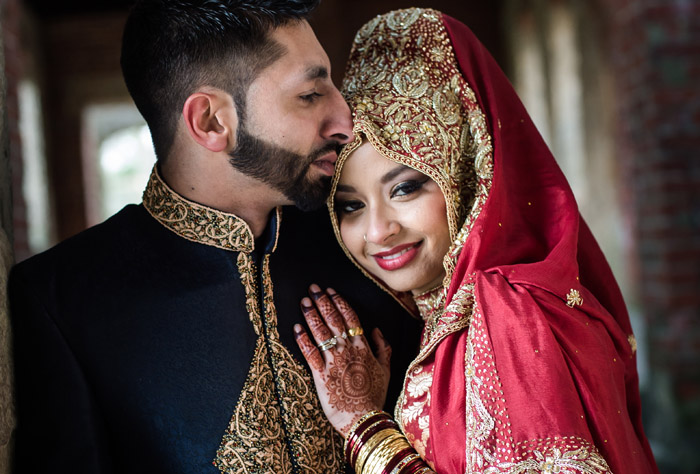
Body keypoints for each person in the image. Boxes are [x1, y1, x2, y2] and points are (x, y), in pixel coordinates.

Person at [7, 1, 421, 473]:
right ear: (210, 121)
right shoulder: (64, 298)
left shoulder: (369, 240)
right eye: (310, 95)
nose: (344, 121)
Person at [295, 8, 659, 474]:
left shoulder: (510, 317)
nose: (377, 230)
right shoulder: (450, 315)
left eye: (405, 188)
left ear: (468, 178)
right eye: (351, 205)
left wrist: (364, 428)